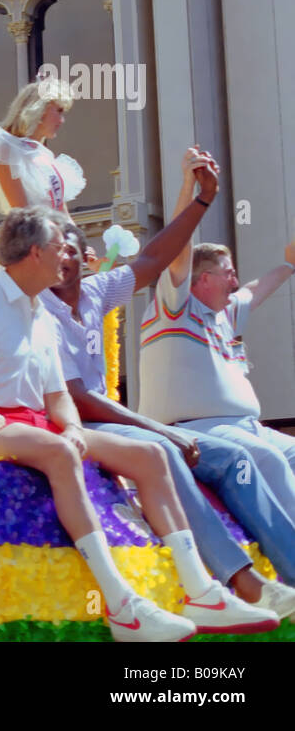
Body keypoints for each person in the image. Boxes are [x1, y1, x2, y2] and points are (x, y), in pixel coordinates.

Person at [0, 206, 279, 640]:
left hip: (32, 423)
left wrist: (71, 427)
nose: (71, 255)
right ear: (36, 251)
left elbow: (57, 395)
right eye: (61, 247)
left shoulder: (41, 315)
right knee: (63, 452)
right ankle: (123, 607)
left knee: (149, 453)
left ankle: (202, 592)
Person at [43, 147, 295, 618]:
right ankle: (236, 585)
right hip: (75, 425)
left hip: (185, 427)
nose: (65, 255)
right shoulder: (43, 311)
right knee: (163, 452)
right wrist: (163, 429)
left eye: (70, 246)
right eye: (53, 247)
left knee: (240, 460)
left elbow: (156, 254)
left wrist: (202, 199)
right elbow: (78, 399)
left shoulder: (97, 292)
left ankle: (288, 577)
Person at [138, 155, 295, 520]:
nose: (236, 282)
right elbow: (176, 250)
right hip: (194, 431)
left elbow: (256, 290)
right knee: (267, 459)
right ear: (203, 278)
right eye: (229, 274)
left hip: (248, 427)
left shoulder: (223, 313)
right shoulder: (174, 305)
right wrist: (190, 189)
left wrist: (289, 264)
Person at [0, 76, 86, 219]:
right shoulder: (6, 150)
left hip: (56, 236)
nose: (62, 120)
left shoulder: (46, 156)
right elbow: (23, 212)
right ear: (40, 109)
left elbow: (62, 212)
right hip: (34, 237)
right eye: (59, 111)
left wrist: (76, 239)